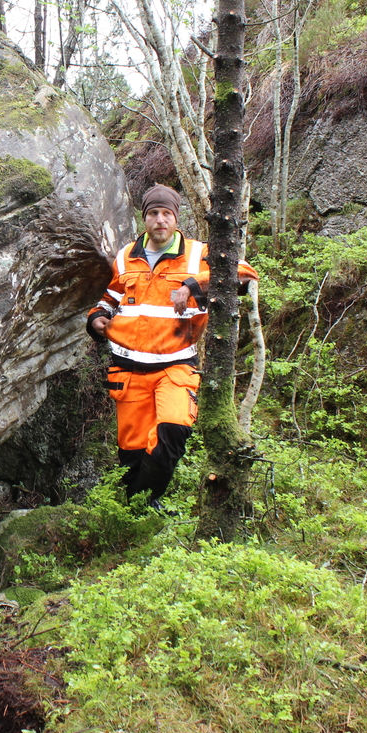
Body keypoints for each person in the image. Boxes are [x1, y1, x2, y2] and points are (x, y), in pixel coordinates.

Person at [87, 184, 258, 507]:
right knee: (132, 449)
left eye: (167, 214)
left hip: (175, 365)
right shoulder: (126, 256)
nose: (160, 220)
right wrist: (97, 317)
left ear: (176, 219)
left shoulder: (198, 253)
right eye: (154, 213)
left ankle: (148, 498)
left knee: (174, 428)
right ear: (145, 219)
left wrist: (193, 285)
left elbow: (246, 274)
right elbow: (112, 295)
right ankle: (135, 510)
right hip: (127, 369)